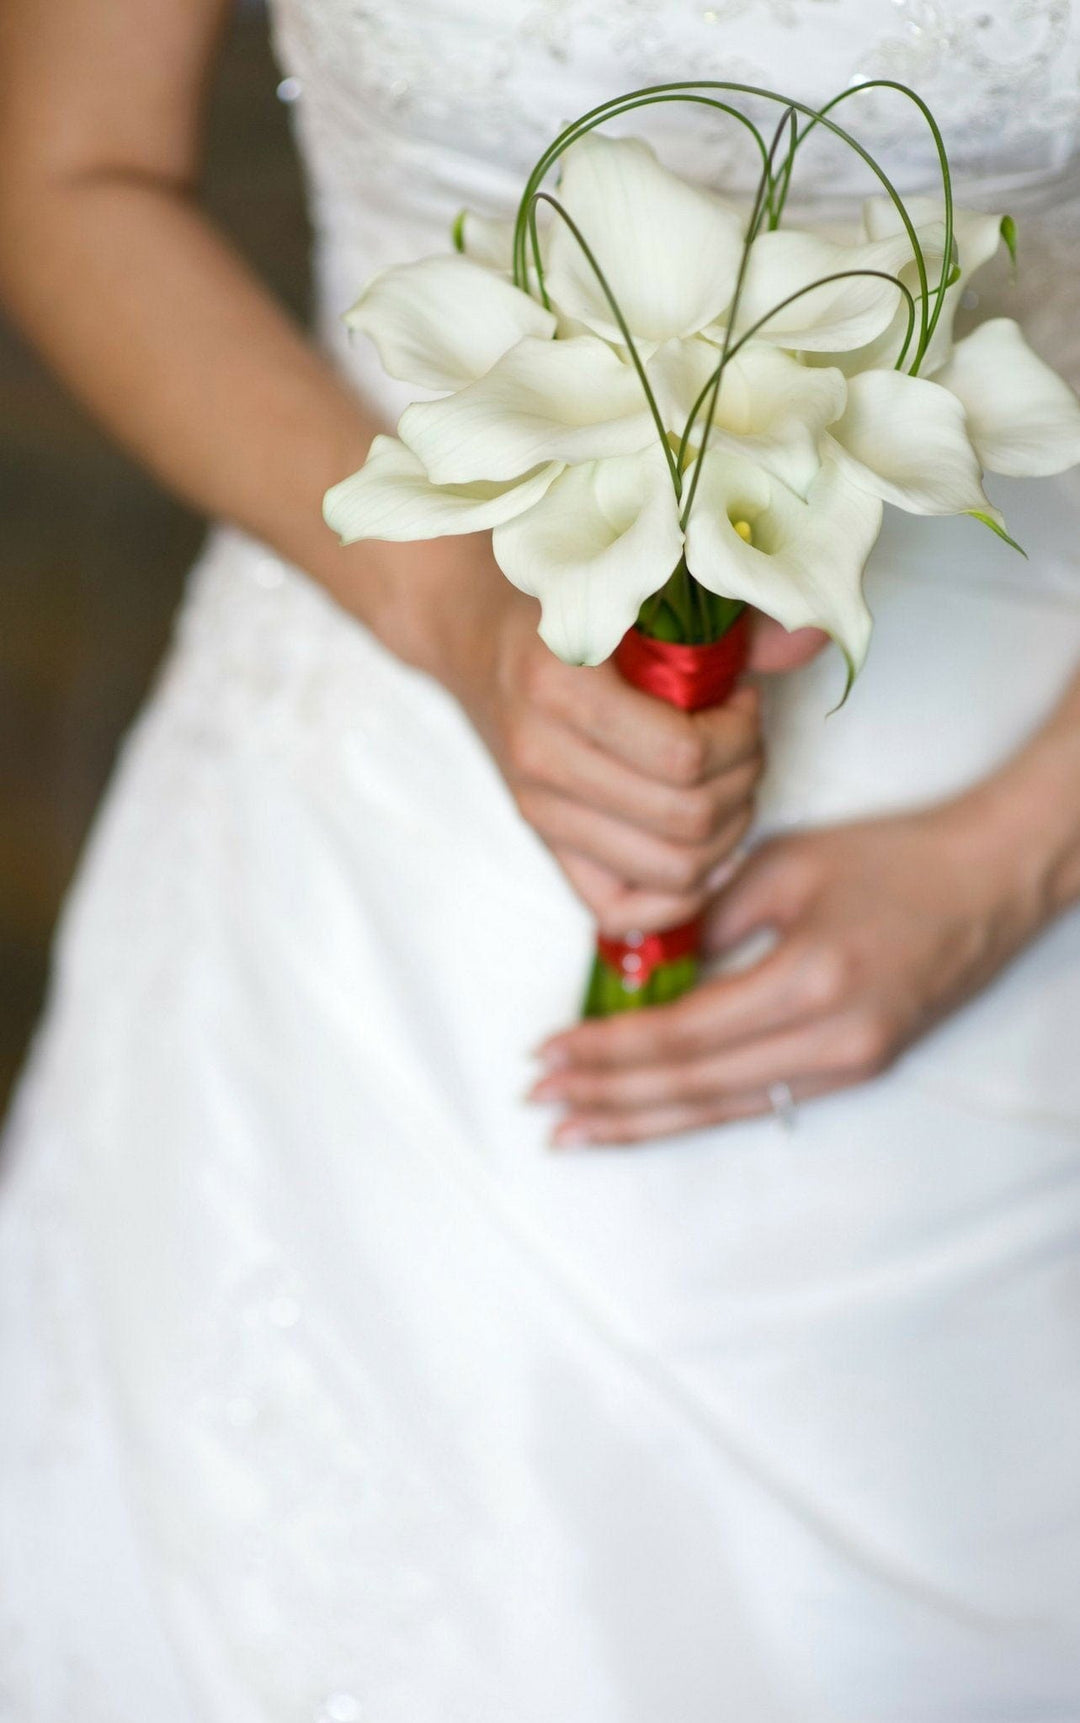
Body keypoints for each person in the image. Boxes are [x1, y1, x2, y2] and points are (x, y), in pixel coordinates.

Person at [0, 1, 1078, 1717]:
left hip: (993, 812)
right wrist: (452, 609)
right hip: (358, 784)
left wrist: (1018, 853)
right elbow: (74, 169)